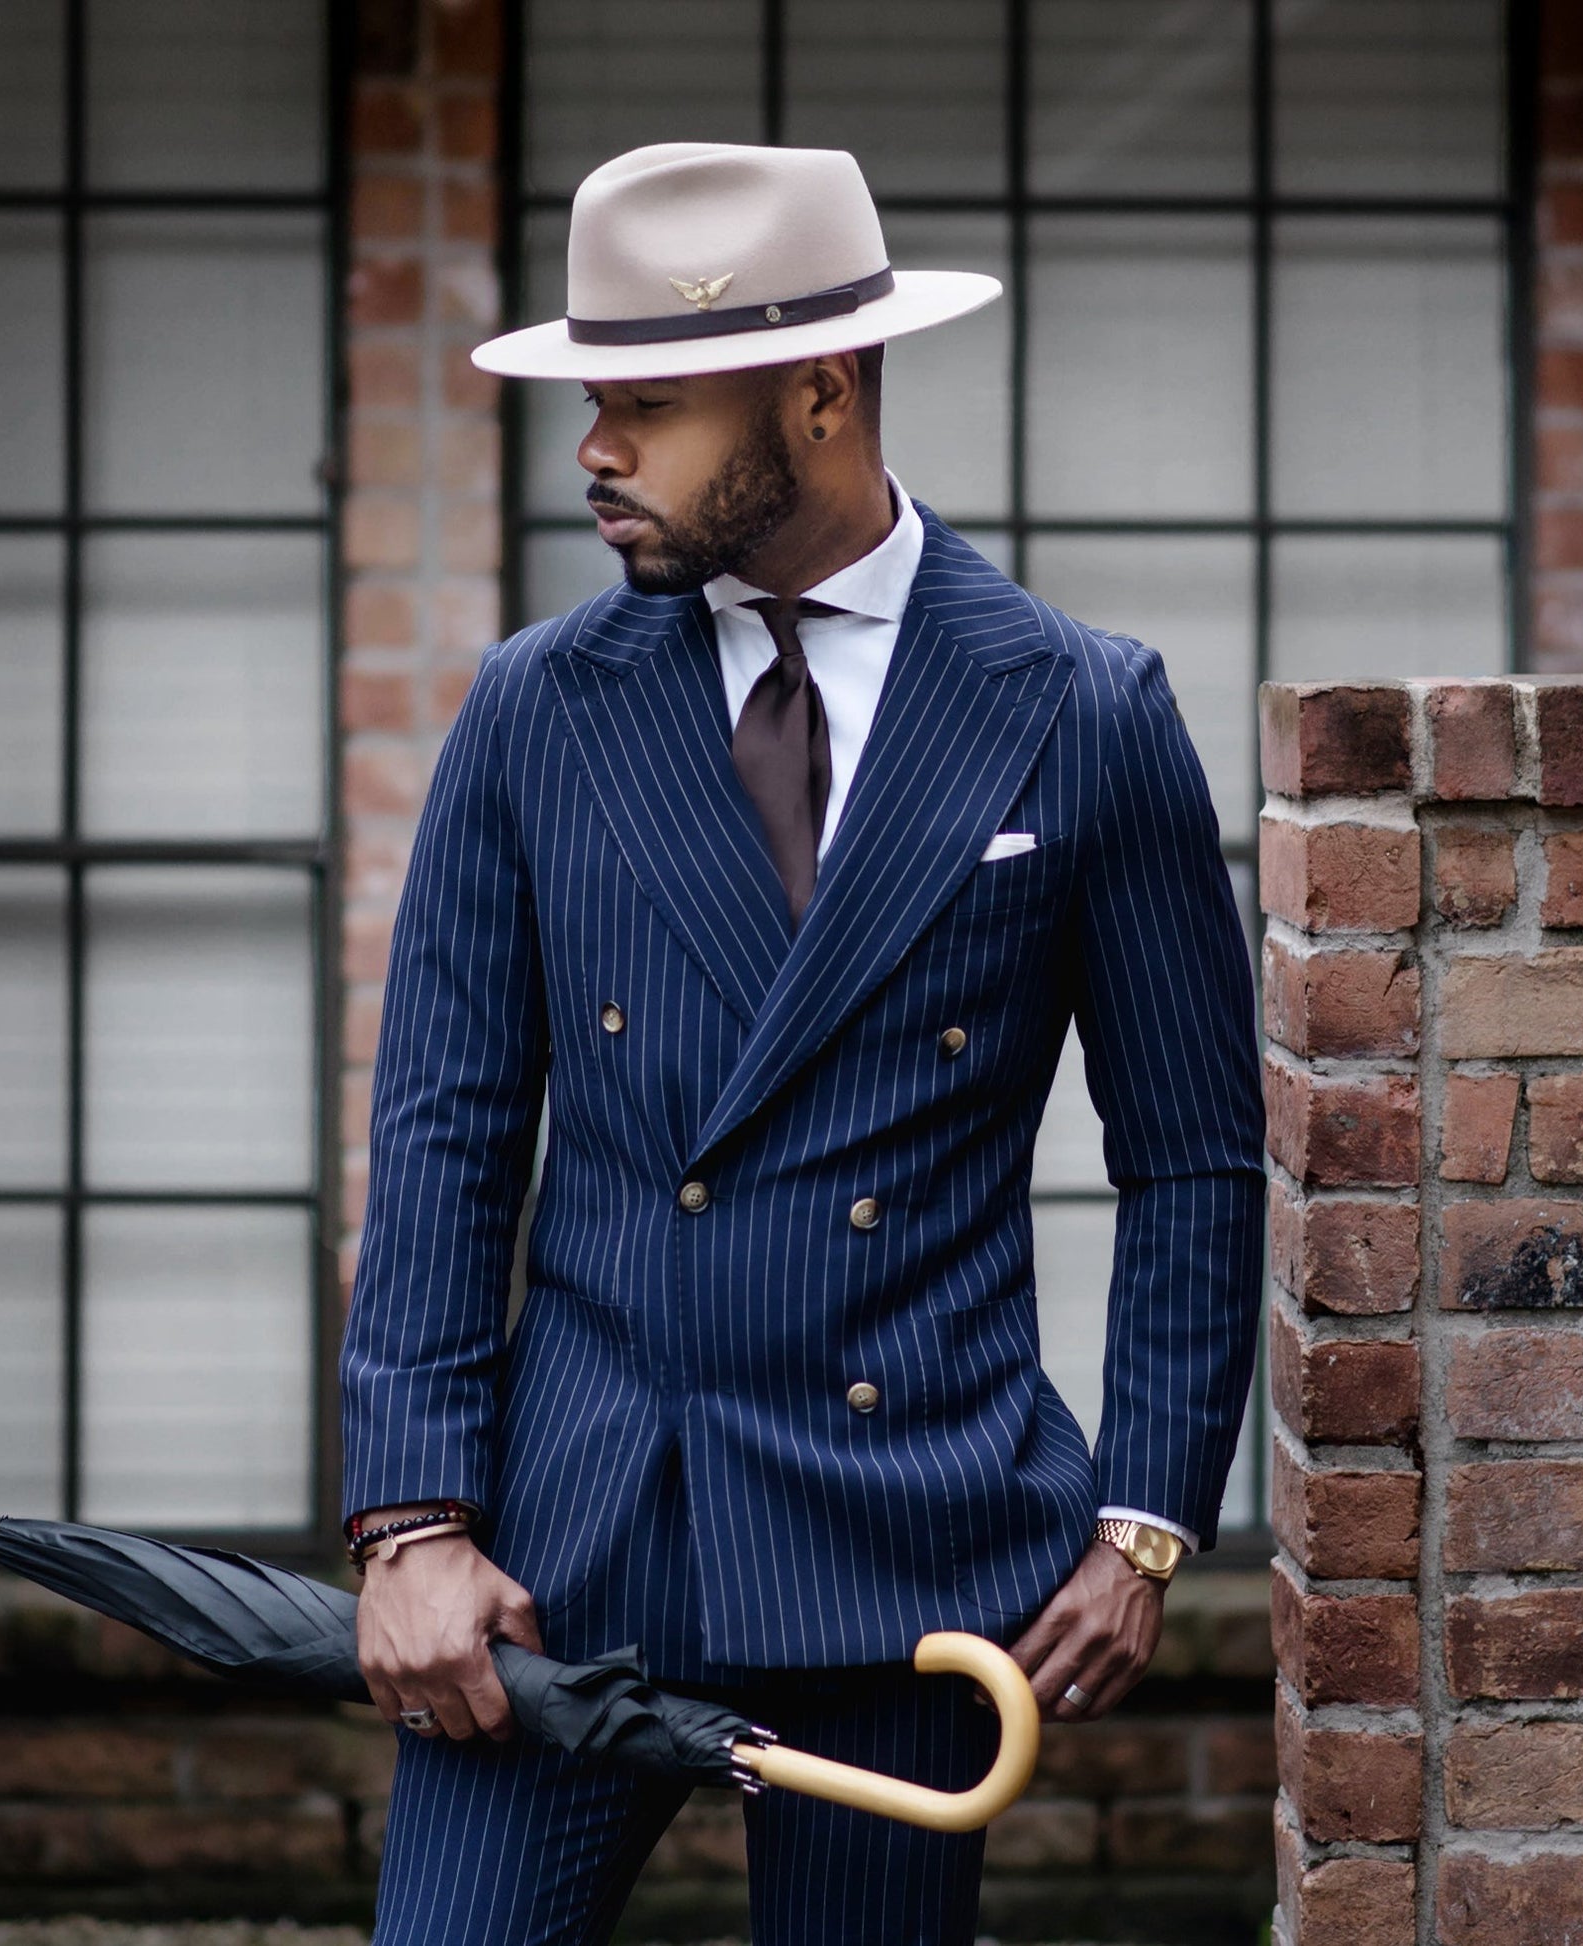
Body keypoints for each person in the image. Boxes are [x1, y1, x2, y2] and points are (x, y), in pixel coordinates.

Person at [339, 141, 1264, 1945]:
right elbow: (444, 1131)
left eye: (650, 407)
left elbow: (1192, 1157)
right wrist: (410, 1522)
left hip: (905, 1539)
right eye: (593, 402)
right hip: (561, 1549)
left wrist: (1143, 1518)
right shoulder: (536, 706)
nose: (594, 450)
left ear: (821, 392)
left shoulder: (1080, 706)